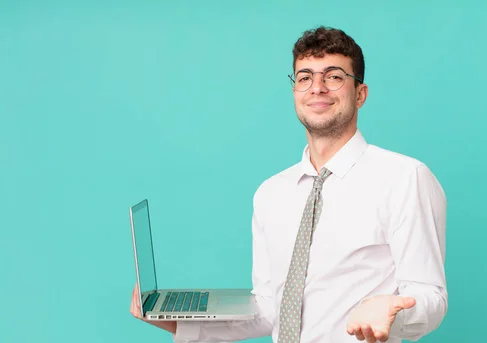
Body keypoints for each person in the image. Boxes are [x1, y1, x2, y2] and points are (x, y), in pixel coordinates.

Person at [130, 26, 447, 343]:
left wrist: (394, 311)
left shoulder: (404, 178)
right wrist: (182, 325)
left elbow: (431, 296)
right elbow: (270, 310)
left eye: (334, 77)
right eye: (305, 77)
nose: (317, 88)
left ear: (360, 94)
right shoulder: (271, 193)